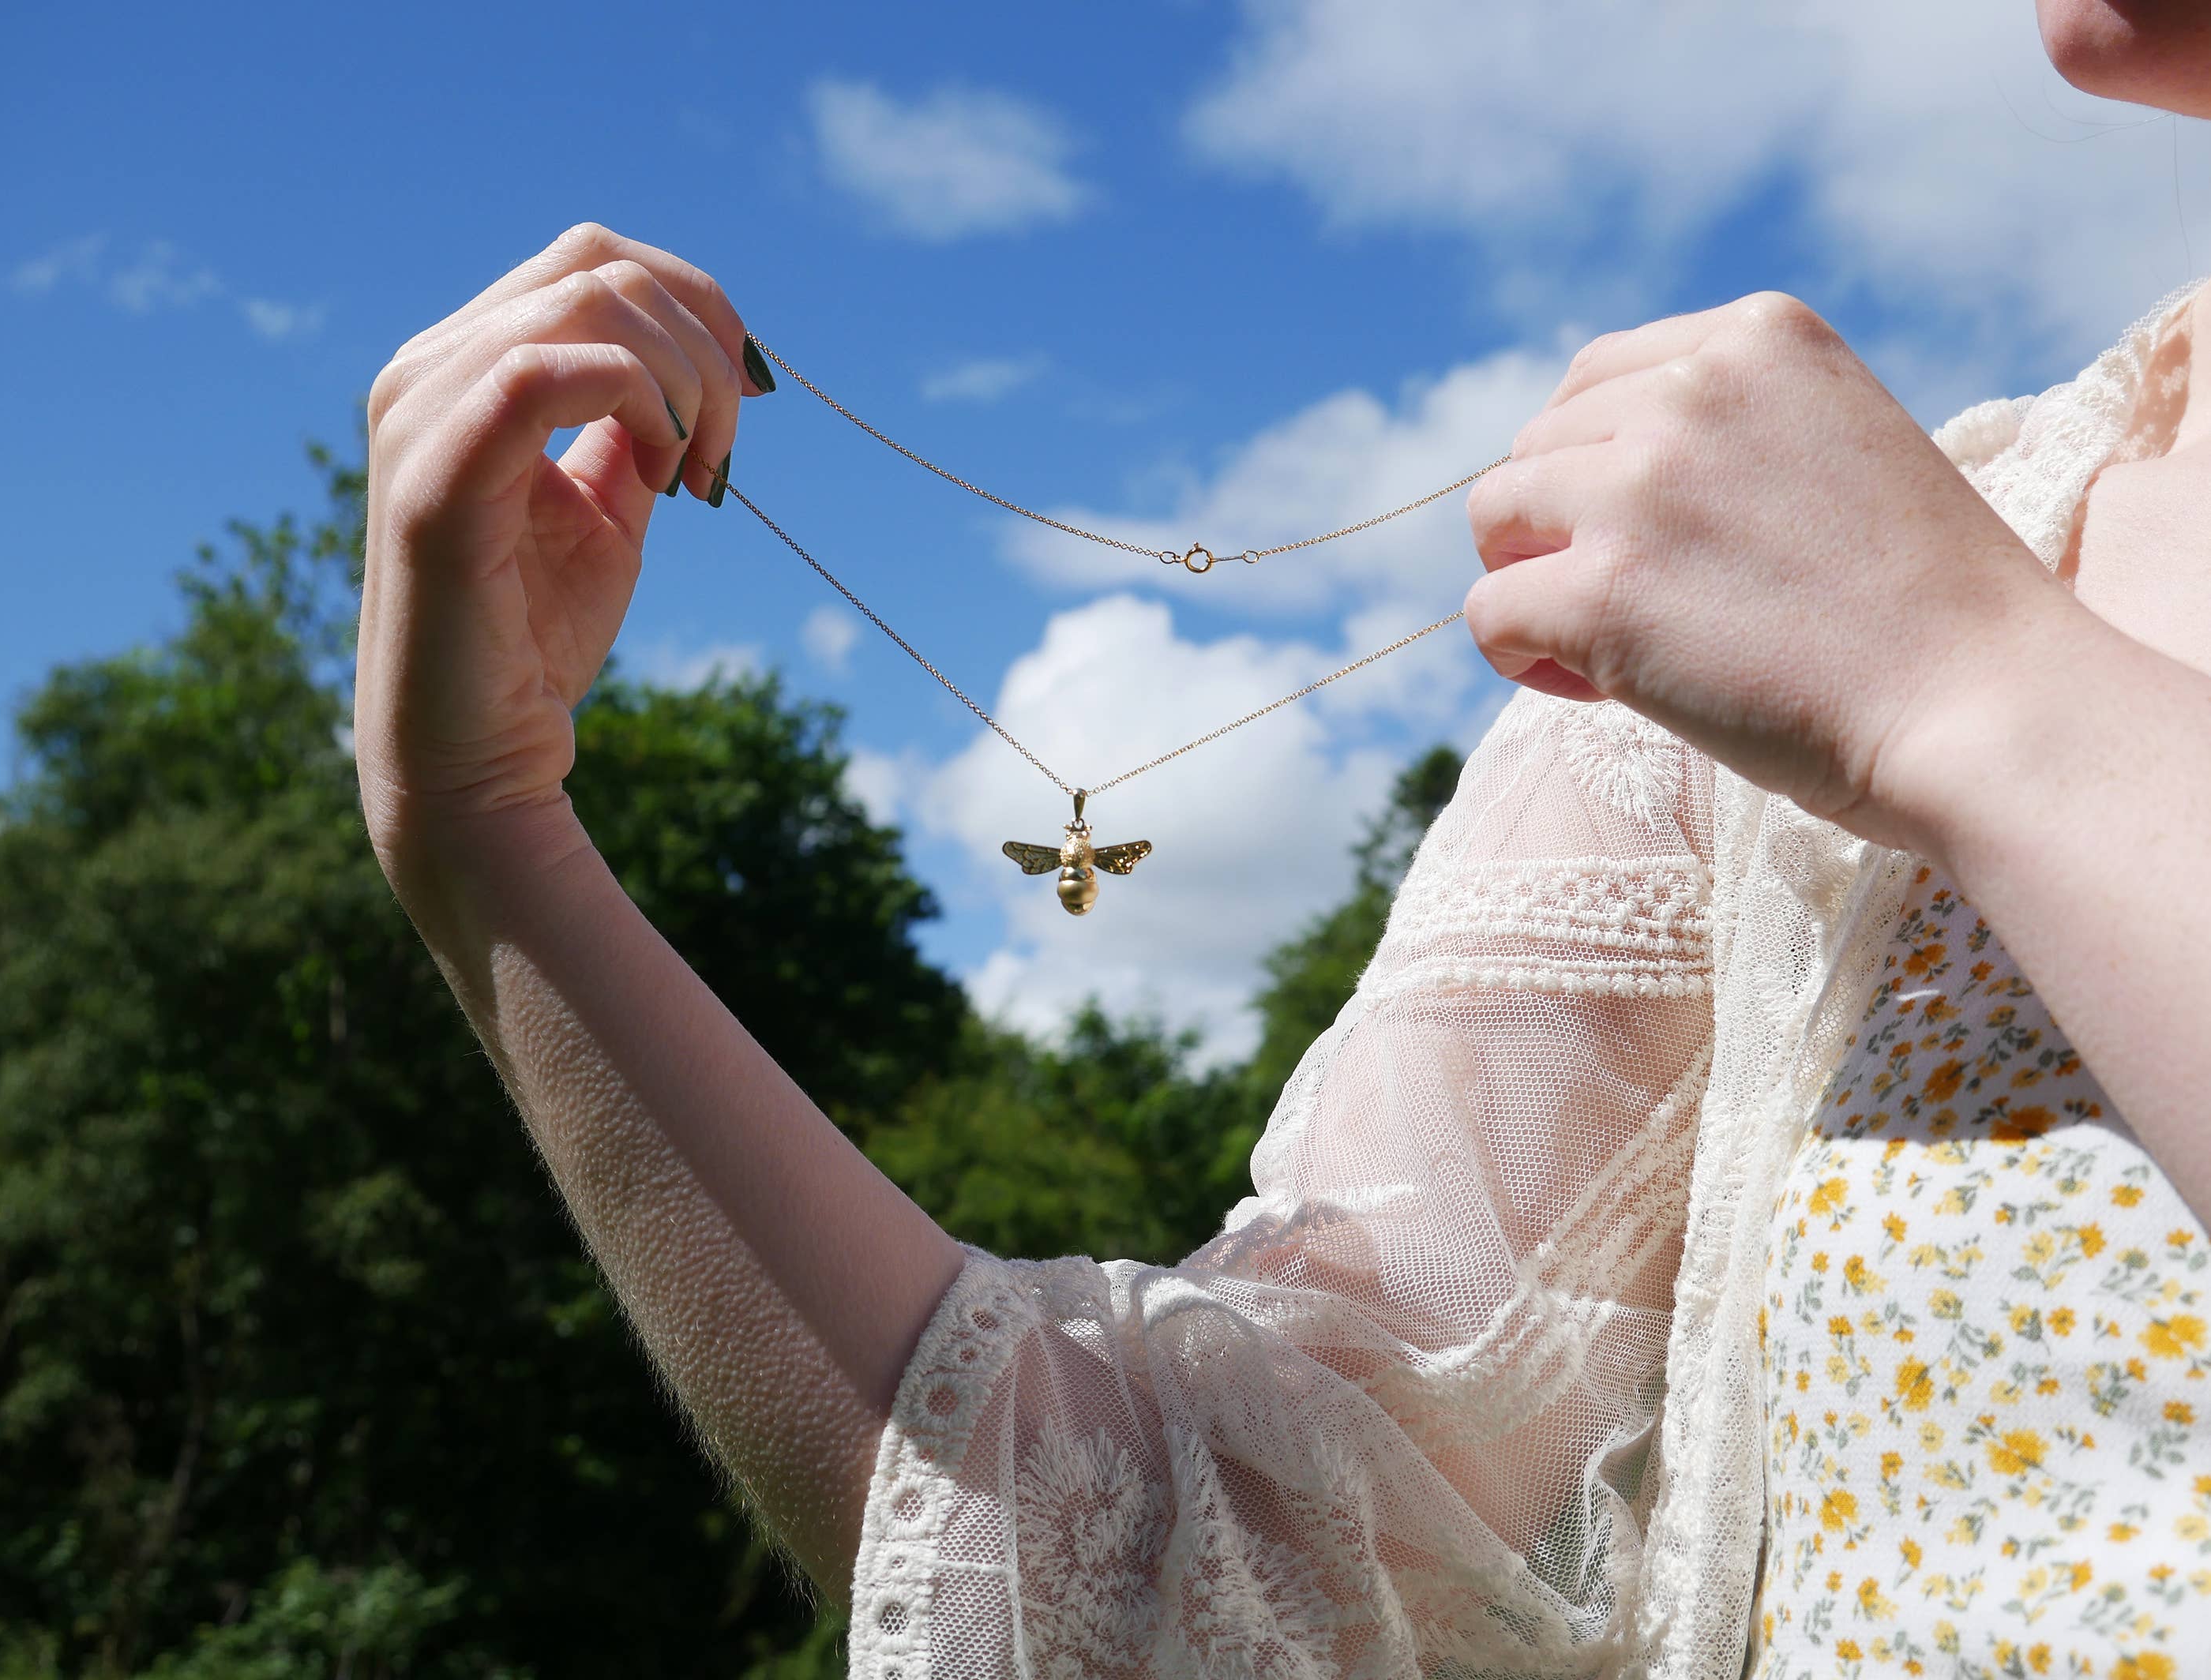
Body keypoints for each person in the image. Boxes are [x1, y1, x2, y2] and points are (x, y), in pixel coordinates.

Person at [351, 6, 2211, 1674]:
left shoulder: (1882, 601)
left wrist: (1973, 695)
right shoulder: (1819, 603)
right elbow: (1169, 1562)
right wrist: (491, 833)